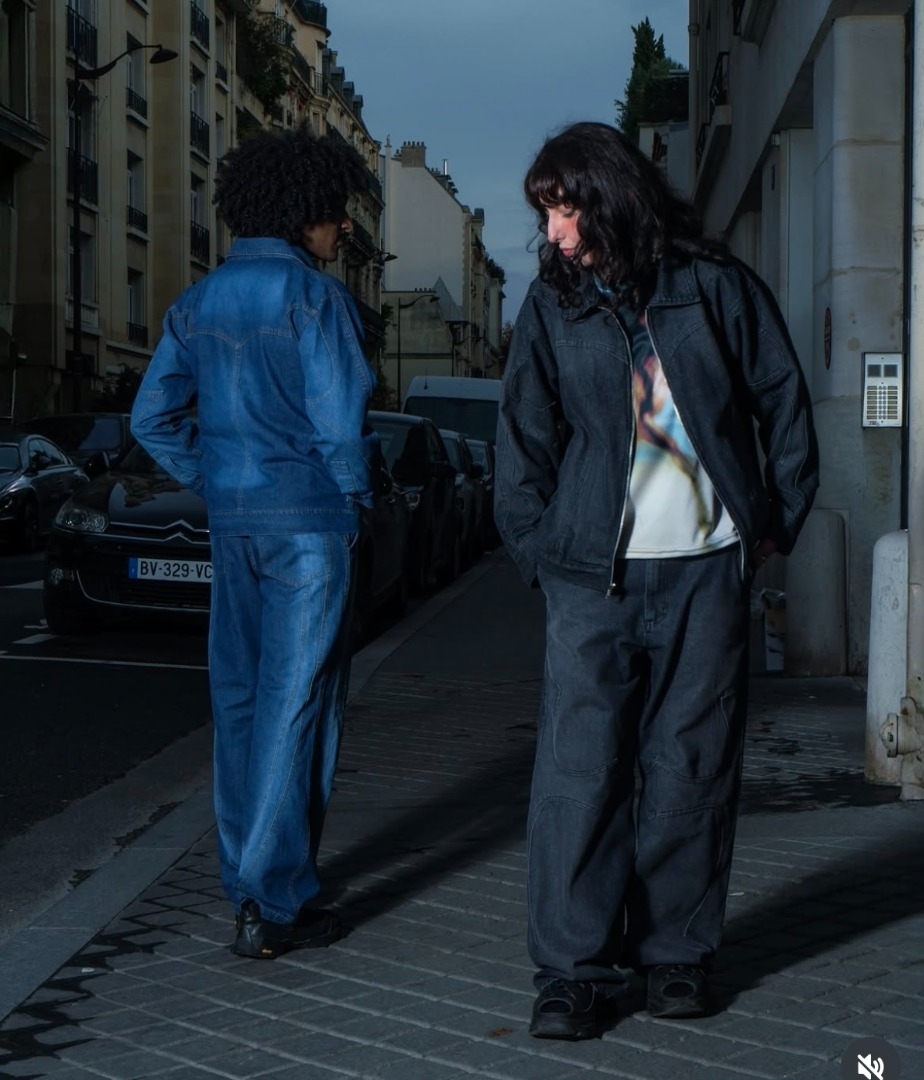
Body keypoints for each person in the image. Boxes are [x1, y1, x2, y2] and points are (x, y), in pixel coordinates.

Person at [495, 121, 819, 1039]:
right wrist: (538, 551)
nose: (554, 232)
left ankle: (676, 956)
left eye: (565, 210)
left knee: (691, 766)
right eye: (545, 215)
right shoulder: (552, 305)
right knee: (580, 774)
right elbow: (521, 439)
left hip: (707, 575)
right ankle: (573, 973)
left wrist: (772, 523)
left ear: (612, 196)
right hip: (590, 583)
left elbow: (783, 402)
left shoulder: (713, 286)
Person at [131, 125, 378, 959]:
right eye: (335, 213)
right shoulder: (315, 299)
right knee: (296, 704)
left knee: (239, 701)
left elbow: (151, 418)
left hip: (233, 526)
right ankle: (274, 905)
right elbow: (339, 425)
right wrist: (354, 503)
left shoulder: (198, 302)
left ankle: (249, 884)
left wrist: (217, 480)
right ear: (304, 212)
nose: (343, 228)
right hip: (307, 528)